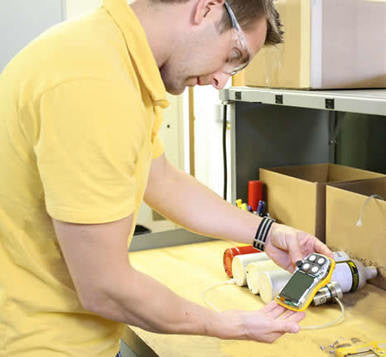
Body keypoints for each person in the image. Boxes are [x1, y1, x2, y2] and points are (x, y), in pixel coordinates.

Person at [0, 0, 333, 355]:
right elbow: (105, 286)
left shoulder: (110, 55)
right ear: (205, 9)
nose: (222, 80)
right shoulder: (95, 83)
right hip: (44, 343)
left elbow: (160, 179)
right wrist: (229, 324)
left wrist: (267, 233)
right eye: (233, 55)